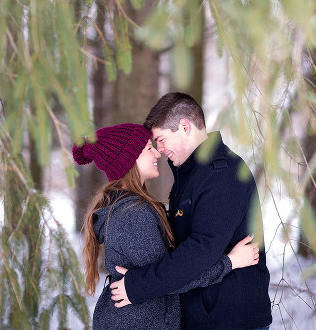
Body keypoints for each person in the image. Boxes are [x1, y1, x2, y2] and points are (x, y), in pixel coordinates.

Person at [109, 93, 272, 329]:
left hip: (230, 319)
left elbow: (200, 250)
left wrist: (139, 286)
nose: (160, 149)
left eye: (162, 139)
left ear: (185, 127)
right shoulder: (191, 174)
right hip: (204, 315)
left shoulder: (222, 174)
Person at [74, 123, 260, 329]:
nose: (157, 154)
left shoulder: (129, 208)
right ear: (128, 161)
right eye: (148, 149)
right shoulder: (133, 215)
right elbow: (173, 277)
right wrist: (231, 262)